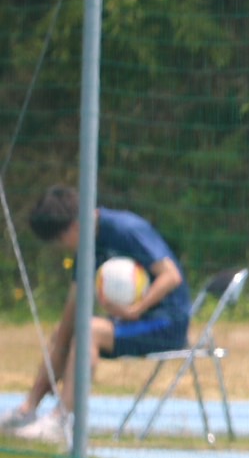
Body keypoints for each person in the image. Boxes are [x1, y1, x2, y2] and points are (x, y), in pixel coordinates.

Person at [2, 185, 191, 444]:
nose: (61, 247)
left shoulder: (126, 229)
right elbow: (73, 306)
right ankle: (27, 410)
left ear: (72, 227)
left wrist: (135, 310)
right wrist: (62, 336)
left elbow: (171, 276)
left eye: (59, 240)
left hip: (167, 324)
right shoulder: (86, 244)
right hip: (132, 322)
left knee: (89, 331)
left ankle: (61, 420)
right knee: (64, 331)